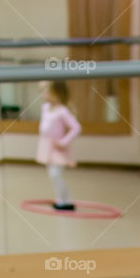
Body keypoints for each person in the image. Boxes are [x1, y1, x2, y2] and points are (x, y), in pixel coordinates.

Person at [36, 81, 81, 211]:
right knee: (52, 175)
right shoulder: (45, 108)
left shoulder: (62, 111)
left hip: (57, 148)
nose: (43, 95)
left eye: (46, 92)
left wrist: (63, 142)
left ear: (56, 93)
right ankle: (61, 199)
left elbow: (76, 128)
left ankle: (66, 200)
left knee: (55, 174)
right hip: (47, 146)